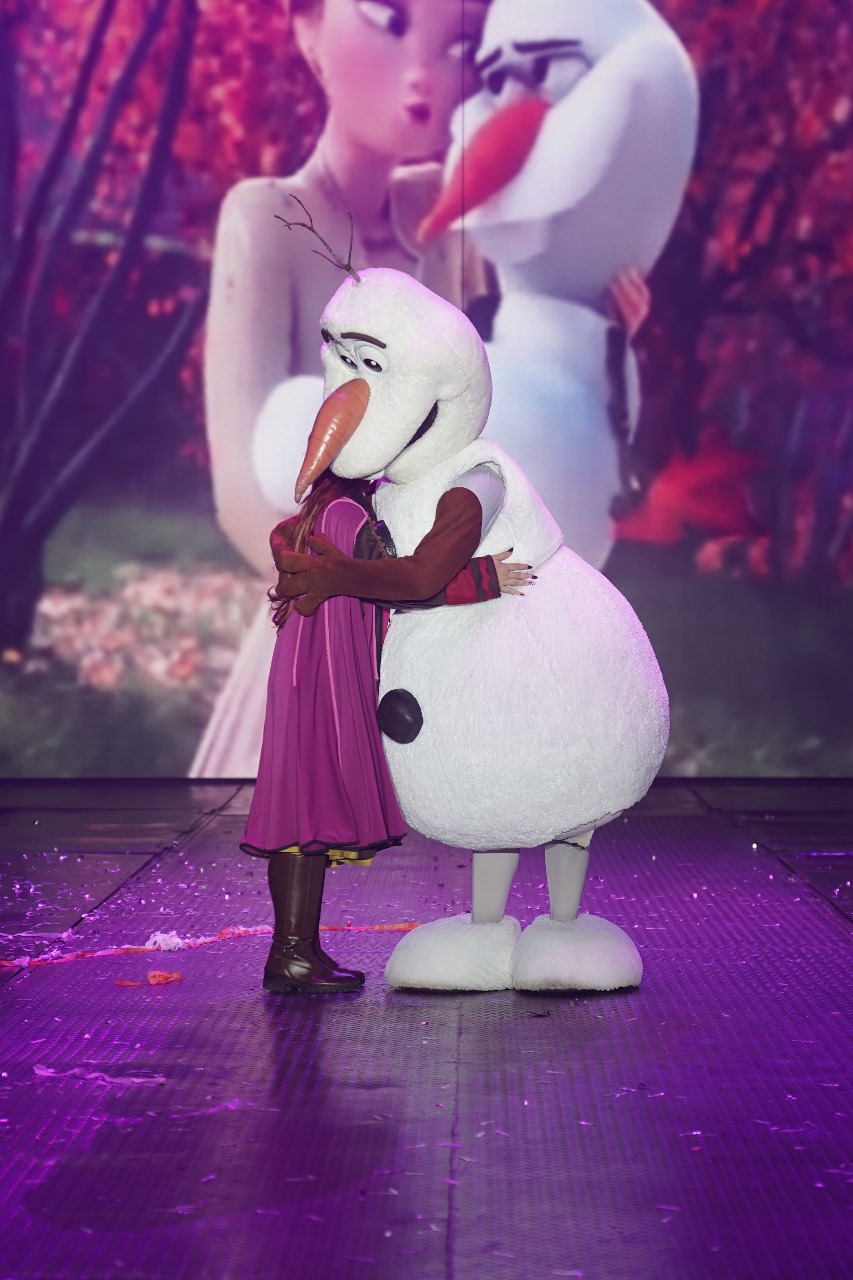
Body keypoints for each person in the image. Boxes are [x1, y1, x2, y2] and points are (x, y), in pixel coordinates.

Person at [192, 0, 492, 778]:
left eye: (455, 43)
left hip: (442, 633)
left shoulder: (447, 220)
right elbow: (241, 499)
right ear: (306, 29)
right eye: (385, 18)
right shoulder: (267, 221)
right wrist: (376, 592)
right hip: (326, 625)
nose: (422, 71)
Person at [241, 467, 532, 994]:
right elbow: (400, 583)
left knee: (306, 803)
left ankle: (296, 950)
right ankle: (290, 954)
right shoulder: (347, 515)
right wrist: (482, 578)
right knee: (308, 804)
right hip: (324, 671)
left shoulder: (319, 514)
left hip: (309, 667)